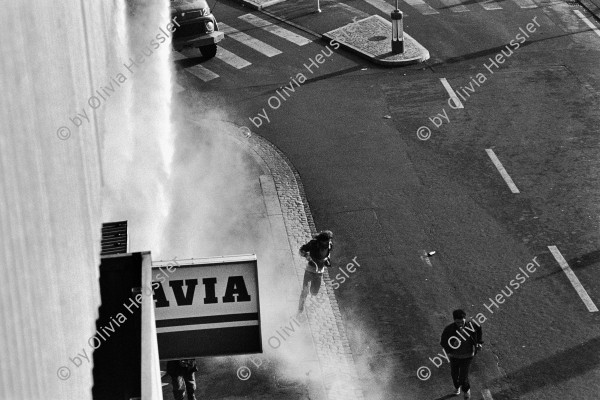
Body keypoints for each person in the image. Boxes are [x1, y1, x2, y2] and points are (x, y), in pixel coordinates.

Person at [440, 309, 483, 398]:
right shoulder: (449, 330)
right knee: (454, 375)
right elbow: (443, 343)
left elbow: (479, 329)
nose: (460, 324)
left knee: (463, 377)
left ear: (465, 318)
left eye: (462, 322)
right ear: (454, 320)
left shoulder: (472, 325)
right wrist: (452, 344)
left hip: (468, 356)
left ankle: (466, 390)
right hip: (454, 356)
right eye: (457, 322)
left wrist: (479, 342)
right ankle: (457, 387)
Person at [297, 230, 334, 313]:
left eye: (327, 242)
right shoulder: (313, 243)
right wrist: (306, 255)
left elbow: (328, 254)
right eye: (323, 243)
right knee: (305, 291)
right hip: (310, 269)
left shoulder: (329, 245)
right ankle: (300, 309)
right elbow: (301, 250)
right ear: (320, 241)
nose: (325, 245)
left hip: (319, 272)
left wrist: (327, 259)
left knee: (314, 292)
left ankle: (312, 292)